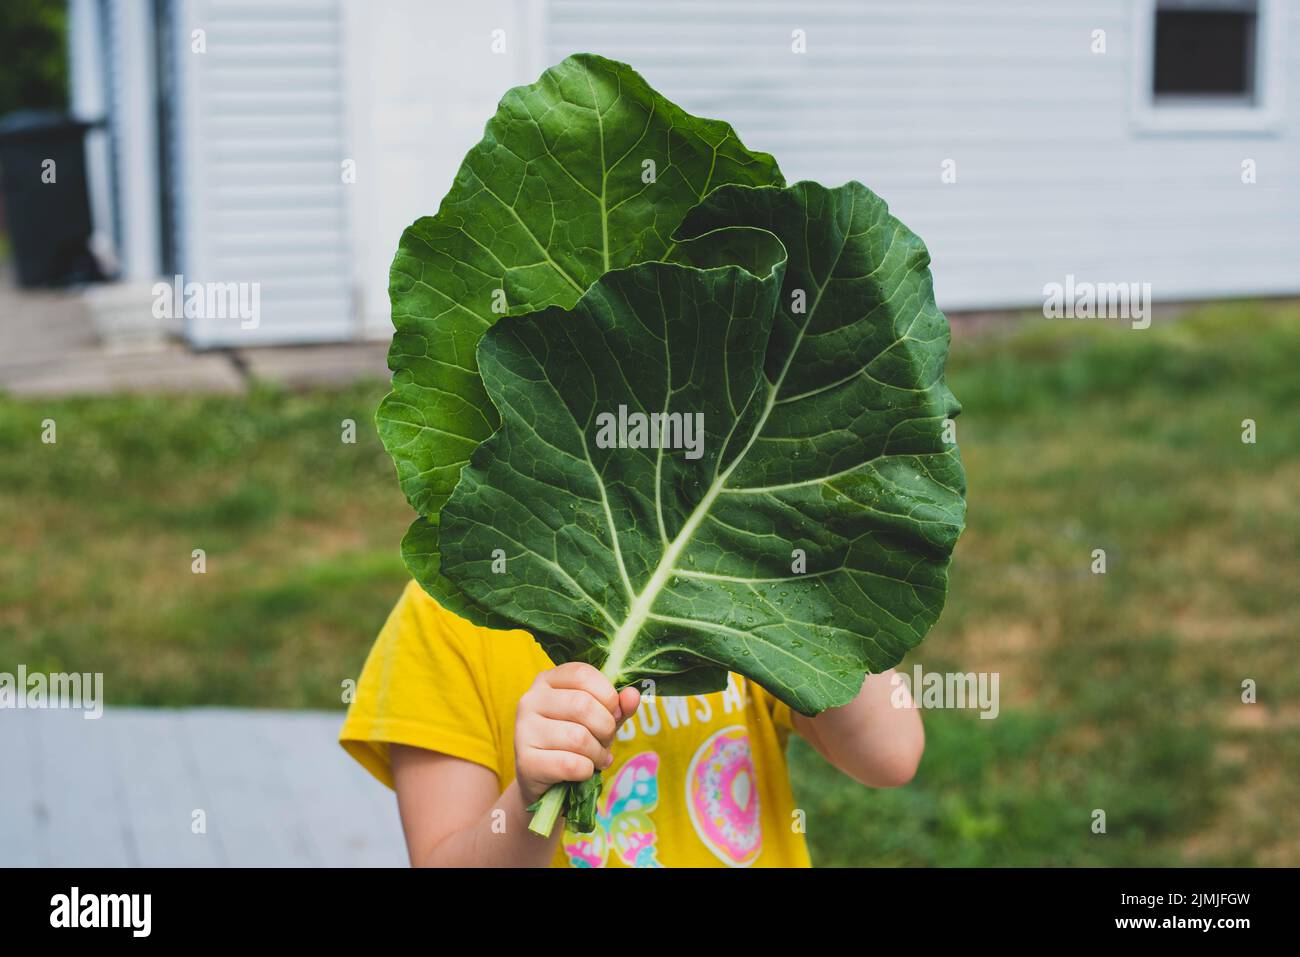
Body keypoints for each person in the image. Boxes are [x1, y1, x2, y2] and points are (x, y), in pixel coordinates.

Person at [340, 580, 924, 867]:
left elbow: (890, 755)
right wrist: (528, 800)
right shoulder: (449, 606)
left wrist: (808, 584)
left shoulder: (740, 582)